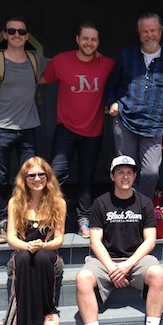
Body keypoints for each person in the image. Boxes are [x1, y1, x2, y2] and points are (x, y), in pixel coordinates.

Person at [76, 155, 163, 325]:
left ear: (135, 176)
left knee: (158, 274)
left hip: (135, 260)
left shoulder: (144, 202)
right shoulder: (101, 203)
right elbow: (95, 241)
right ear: (112, 176)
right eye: (120, 172)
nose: (125, 176)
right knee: (82, 278)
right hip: (105, 259)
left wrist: (127, 265)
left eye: (129, 172)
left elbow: (150, 240)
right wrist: (111, 268)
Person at [0, 15, 51, 244]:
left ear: (27, 36)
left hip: (28, 129)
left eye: (21, 31)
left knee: (32, 177)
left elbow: (65, 65)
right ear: (5, 35)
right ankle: (2, 225)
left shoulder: (35, 60)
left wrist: (93, 56)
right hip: (0, 129)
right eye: (12, 31)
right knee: (1, 178)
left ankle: (26, 223)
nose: (17, 35)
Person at [39, 21, 115, 238]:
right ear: (77, 39)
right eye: (85, 38)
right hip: (66, 128)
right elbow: (39, 79)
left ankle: (84, 219)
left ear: (98, 42)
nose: (89, 43)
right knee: (57, 173)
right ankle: (53, 219)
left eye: (93, 39)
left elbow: (122, 78)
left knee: (86, 177)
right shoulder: (61, 61)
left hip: (93, 130)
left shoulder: (107, 64)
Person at [104, 12, 163, 199]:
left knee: (151, 172)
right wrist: (112, 102)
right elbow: (111, 84)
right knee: (125, 170)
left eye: (152, 30)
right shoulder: (127, 55)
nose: (149, 35)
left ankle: (140, 208)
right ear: (139, 34)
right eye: (144, 31)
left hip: (155, 127)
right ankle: (127, 211)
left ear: (160, 32)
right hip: (125, 122)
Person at [0, 156, 67, 325]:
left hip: (50, 256)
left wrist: (42, 245)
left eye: (41, 174)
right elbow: (10, 238)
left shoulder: (58, 203)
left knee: (41, 256)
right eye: (31, 175)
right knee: (24, 258)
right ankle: (23, 315)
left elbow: (58, 240)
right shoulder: (15, 202)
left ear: (48, 177)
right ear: (24, 179)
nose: (37, 179)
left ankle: (50, 310)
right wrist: (27, 246)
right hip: (22, 253)